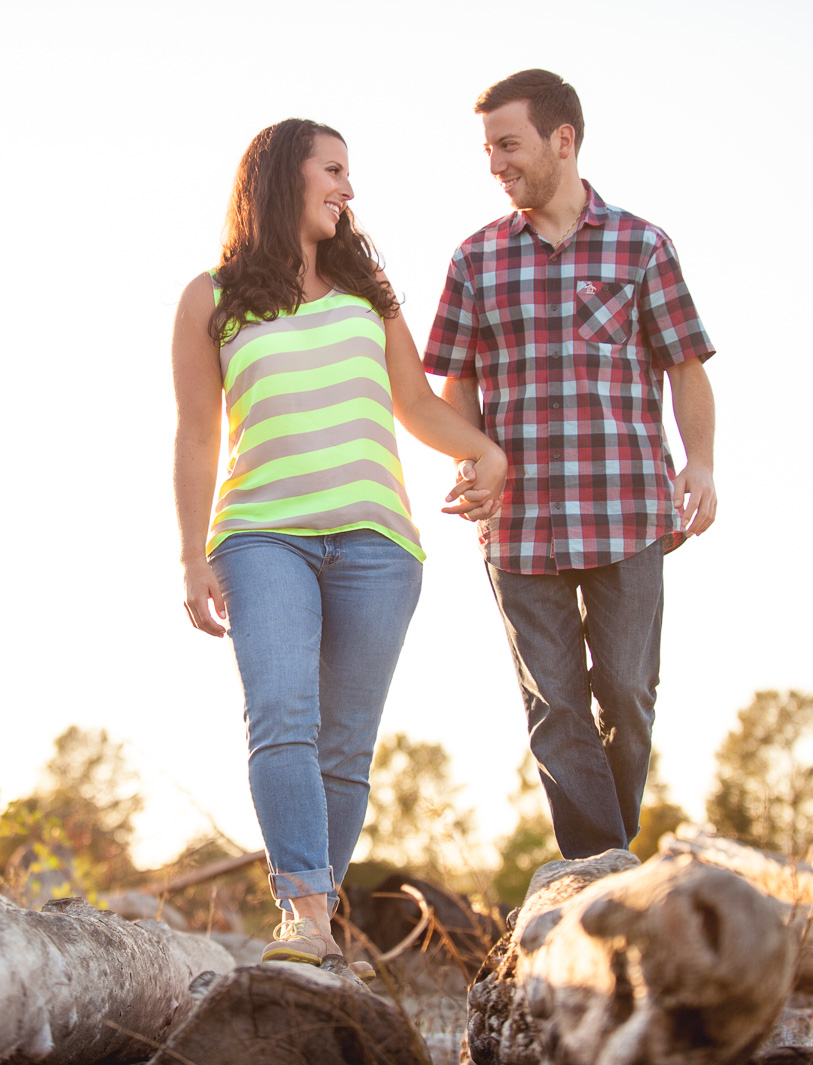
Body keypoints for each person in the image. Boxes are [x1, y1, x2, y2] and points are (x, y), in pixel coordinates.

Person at [172, 119, 507, 966]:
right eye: (334, 170)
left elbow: (420, 407)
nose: (348, 189)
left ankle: (317, 922)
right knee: (282, 716)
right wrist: (190, 552)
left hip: (378, 545)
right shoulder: (209, 298)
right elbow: (196, 439)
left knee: (346, 745)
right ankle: (309, 916)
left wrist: (484, 450)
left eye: (348, 174)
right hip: (261, 537)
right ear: (284, 178)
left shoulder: (370, 291)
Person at [424, 69, 718, 860]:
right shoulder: (476, 259)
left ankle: (602, 863)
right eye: (488, 149)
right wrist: (470, 456)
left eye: (509, 144)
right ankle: (605, 872)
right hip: (517, 528)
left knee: (626, 692)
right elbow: (457, 379)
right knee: (556, 707)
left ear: (563, 140)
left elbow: (686, 364)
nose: (496, 164)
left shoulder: (642, 245)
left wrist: (703, 463)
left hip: (627, 512)